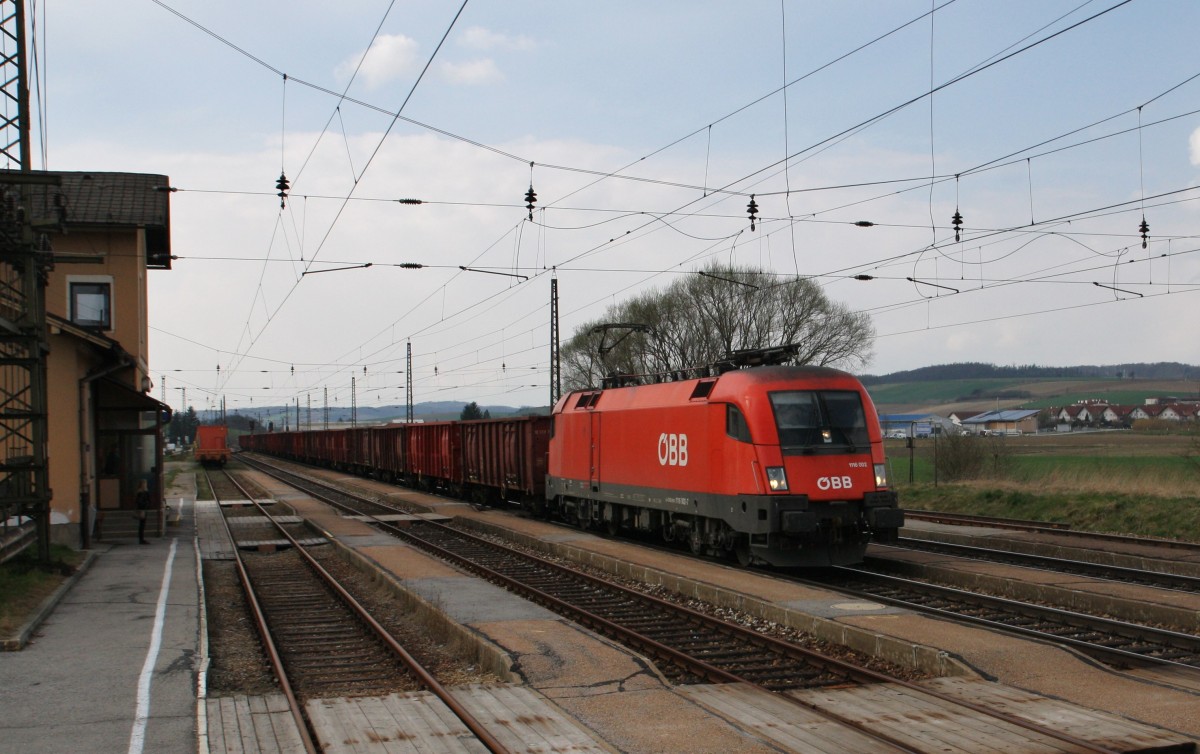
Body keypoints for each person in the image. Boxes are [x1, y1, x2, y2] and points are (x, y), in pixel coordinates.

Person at [135, 479, 153, 544]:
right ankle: (141, 539)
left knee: (142, 524)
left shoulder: (145, 491)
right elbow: (139, 501)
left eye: (145, 483)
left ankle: (141, 539)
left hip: (144, 509)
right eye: (144, 484)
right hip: (142, 509)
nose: (145, 485)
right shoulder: (140, 492)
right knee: (141, 525)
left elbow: (149, 499)